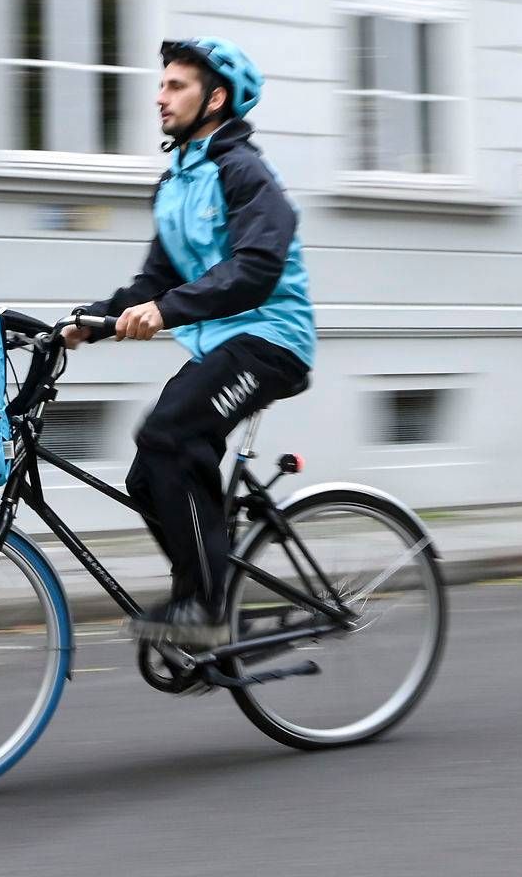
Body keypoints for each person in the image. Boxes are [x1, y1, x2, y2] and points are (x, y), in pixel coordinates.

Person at [63, 38, 317, 645]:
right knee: (147, 477)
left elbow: (256, 268)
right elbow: (158, 280)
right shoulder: (176, 181)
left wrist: (167, 309)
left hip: (272, 340)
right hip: (220, 344)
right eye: (162, 84)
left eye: (176, 86)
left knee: (170, 434)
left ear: (216, 98)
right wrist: (89, 322)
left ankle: (206, 610)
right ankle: (202, 598)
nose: (160, 96)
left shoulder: (243, 171)